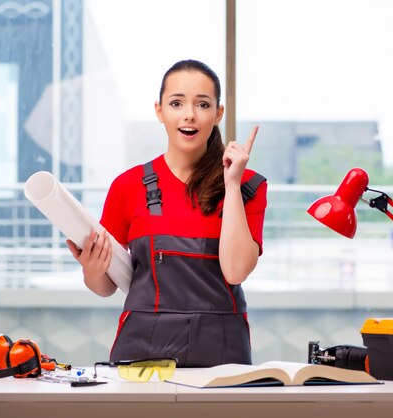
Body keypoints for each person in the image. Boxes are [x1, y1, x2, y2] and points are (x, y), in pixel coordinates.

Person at [67, 59, 267, 367]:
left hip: (223, 349)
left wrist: (231, 184)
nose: (189, 114)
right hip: (142, 348)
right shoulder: (127, 186)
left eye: (202, 104)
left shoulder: (248, 186)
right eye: (177, 103)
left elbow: (236, 271)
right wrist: (92, 270)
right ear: (160, 111)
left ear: (218, 114)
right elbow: (105, 287)